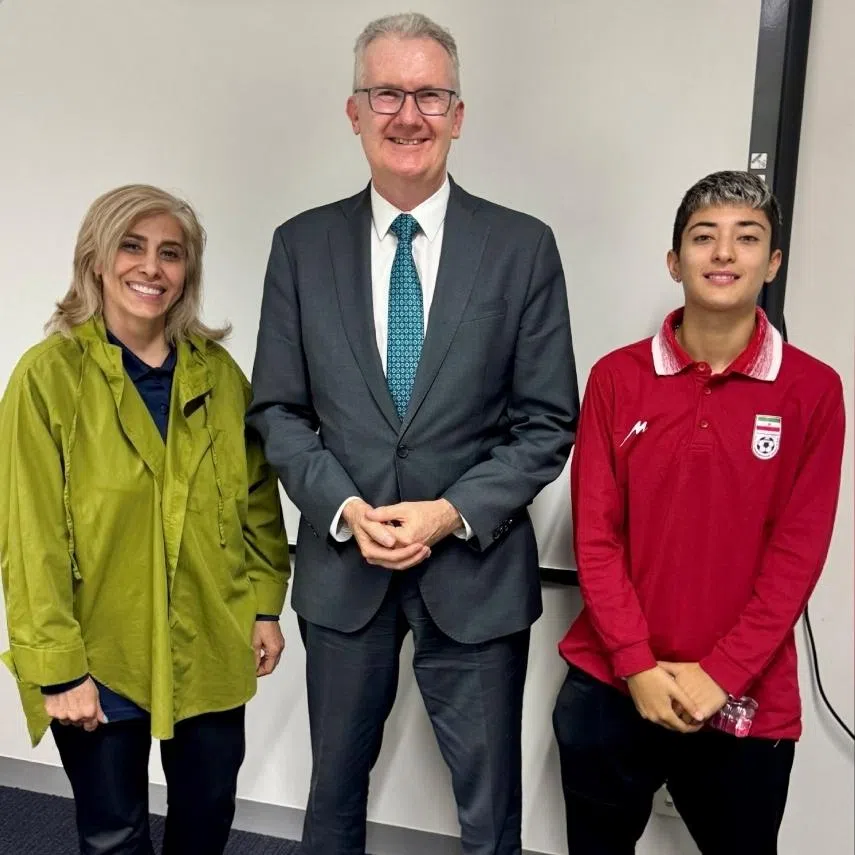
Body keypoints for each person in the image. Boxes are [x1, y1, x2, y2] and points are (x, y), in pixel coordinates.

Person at [248, 12, 578, 855]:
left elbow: (546, 421)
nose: (408, 114)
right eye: (386, 92)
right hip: (342, 567)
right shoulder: (300, 245)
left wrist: (448, 512)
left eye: (429, 94)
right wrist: (344, 506)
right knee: (331, 805)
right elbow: (278, 410)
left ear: (458, 114)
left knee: (488, 818)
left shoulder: (521, 248)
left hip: (471, 567)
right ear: (353, 111)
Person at [552, 170, 845, 854]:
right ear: (673, 260)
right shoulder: (615, 378)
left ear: (771, 263)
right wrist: (635, 663)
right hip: (612, 680)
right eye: (702, 236)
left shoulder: (813, 390)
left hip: (744, 688)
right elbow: (595, 537)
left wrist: (720, 673)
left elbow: (796, 554)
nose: (722, 253)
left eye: (746, 238)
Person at [0, 184, 291, 855]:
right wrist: (57, 668)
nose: (151, 267)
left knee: (207, 818)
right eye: (131, 246)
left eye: (171, 253)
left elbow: (256, 502)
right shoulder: (47, 377)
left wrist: (265, 605)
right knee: (114, 834)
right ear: (97, 259)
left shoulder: (219, 376)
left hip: (211, 636)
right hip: (102, 650)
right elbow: (29, 535)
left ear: (188, 272)